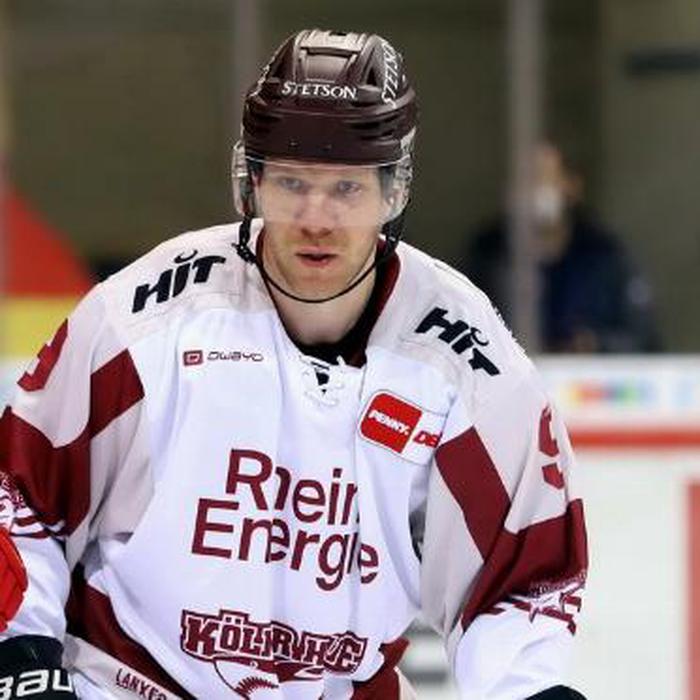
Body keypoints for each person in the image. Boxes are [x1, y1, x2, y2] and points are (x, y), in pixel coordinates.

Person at [0, 30, 588, 699]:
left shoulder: (465, 361)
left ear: (392, 191)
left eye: (346, 188)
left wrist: (528, 690)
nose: (316, 218)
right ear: (250, 182)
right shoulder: (145, 317)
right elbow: (22, 494)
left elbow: (518, 576)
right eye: (290, 183)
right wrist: (21, 655)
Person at [462, 142, 660, 353]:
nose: (531, 191)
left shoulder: (604, 255)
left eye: (542, 178)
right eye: (522, 181)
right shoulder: (487, 254)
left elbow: (642, 337)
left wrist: (596, 344)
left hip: (585, 373)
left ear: (571, 186)